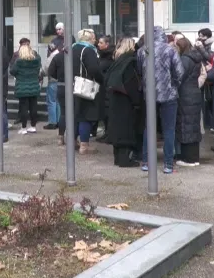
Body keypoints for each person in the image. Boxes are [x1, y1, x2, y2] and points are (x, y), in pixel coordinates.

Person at [138, 26, 182, 171]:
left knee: (149, 127)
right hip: (168, 93)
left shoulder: (143, 50)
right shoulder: (170, 50)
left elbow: (140, 71)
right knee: (169, 129)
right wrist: (173, 85)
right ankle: (168, 164)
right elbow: (179, 72)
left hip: (149, 93)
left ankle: (146, 162)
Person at [105, 38, 142, 167]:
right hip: (125, 100)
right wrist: (137, 101)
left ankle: (118, 158)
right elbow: (131, 84)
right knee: (126, 130)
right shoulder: (130, 62)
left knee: (117, 129)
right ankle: (124, 159)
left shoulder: (117, 61)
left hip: (114, 98)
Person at [71, 29, 104, 155]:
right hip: (85, 86)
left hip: (73, 85)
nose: (95, 40)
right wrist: (102, 80)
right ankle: (84, 145)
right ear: (89, 38)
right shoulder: (88, 50)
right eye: (94, 37)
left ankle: (73, 141)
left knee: (75, 115)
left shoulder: (72, 48)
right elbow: (94, 69)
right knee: (86, 116)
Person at [174, 37, 204, 167]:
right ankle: (194, 157)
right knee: (193, 126)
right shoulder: (195, 58)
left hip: (185, 95)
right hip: (194, 93)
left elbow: (179, 76)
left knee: (185, 125)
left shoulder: (185, 59)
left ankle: (188, 159)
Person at [11, 43, 41, 134]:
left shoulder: (18, 62)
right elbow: (38, 71)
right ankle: (33, 126)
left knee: (23, 108)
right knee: (33, 107)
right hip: (34, 86)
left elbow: (12, 71)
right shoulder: (36, 61)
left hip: (22, 87)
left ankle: (23, 128)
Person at [44, 23, 66, 130]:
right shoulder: (57, 41)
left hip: (56, 76)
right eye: (57, 29)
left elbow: (49, 59)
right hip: (62, 76)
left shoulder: (55, 42)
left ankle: (53, 122)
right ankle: (58, 121)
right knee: (57, 100)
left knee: (52, 100)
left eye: (60, 29)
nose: (58, 31)